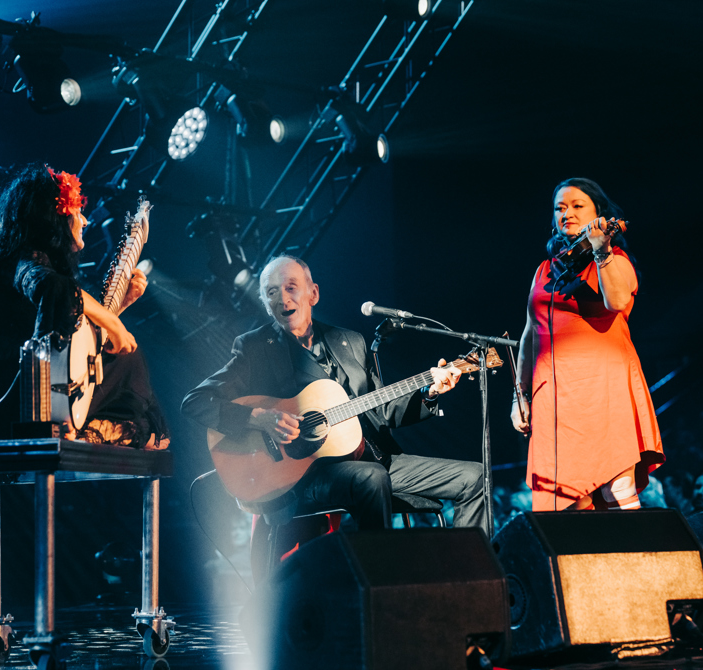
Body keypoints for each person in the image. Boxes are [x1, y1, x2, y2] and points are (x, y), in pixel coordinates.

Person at [181, 256, 484, 576]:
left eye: (291, 288)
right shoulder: (255, 347)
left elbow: (384, 413)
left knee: (475, 478)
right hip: (307, 476)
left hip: (379, 459)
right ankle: (379, 589)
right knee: (370, 480)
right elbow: (195, 401)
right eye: (271, 292)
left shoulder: (351, 342)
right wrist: (259, 417)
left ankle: (475, 581)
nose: (282, 298)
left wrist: (430, 392)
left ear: (313, 294)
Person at [0, 163, 168, 447]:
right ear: (54, 218)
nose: (86, 221)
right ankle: (92, 434)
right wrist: (112, 322)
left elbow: (70, 336)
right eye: (78, 213)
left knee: (128, 367)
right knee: (130, 365)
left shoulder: (21, 261)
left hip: (19, 398)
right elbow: (56, 290)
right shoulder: (20, 262)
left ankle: (93, 433)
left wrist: (119, 307)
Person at [510, 178, 663, 511]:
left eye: (578, 206)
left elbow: (618, 301)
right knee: (564, 504)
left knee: (616, 492)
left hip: (603, 389)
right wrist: (519, 395)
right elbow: (529, 334)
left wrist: (601, 250)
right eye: (559, 208)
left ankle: (642, 560)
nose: (567, 214)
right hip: (554, 395)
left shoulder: (616, 259)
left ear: (598, 213)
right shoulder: (543, 272)